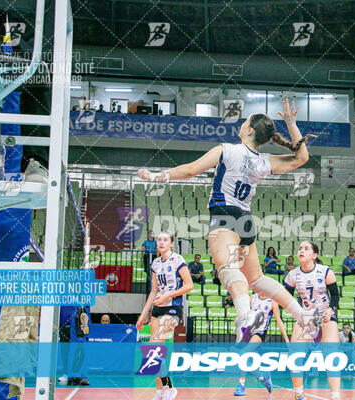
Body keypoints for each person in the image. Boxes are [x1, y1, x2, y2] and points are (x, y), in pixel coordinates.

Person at [137, 99, 321, 343]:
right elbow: (301, 158)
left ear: (250, 130)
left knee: (229, 271)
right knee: (256, 279)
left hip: (224, 217)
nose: (242, 123)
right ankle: (302, 314)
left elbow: (191, 169)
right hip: (245, 220)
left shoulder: (227, 149)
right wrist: (291, 124)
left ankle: (246, 316)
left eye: (245, 122)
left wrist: (157, 176)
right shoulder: (263, 160)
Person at [136, 231, 194, 400]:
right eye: (159, 240)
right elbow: (154, 290)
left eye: (165, 240)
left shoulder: (178, 260)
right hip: (157, 309)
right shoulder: (155, 263)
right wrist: (142, 315)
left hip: (173, 308)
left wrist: (168, 296)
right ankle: (161, 391)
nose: (161, 242)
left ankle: (169, 387)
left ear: (171, 243)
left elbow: (189, 285)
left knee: (153, 345)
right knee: (155, 350)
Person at [284, 241, 341, 400]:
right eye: (300, 248)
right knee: (295, 355)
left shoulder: (325, 272)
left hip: (324, 315)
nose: (301, 250)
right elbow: (285, 298)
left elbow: (335, 296)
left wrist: (331, 309)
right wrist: (298, 313)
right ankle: (299, 393)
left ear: (314, 255)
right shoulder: (293, 275)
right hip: (307, 316)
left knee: (331, 355)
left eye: (306, 248)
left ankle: (335, 395)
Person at [234, 293, 289, 396]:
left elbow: (279, 321)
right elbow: (245, 315)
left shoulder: (272, 302)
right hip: (248, 331)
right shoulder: (252, 298)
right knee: (242, 357)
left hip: (260, 333)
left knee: (244, 353)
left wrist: (287, 340)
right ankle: (262, 376)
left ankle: (241, 385)